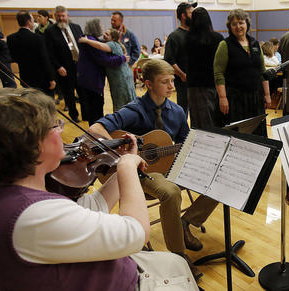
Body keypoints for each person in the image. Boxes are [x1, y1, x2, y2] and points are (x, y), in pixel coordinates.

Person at [0, 88, 198, 290]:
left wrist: (123, 162)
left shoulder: (8, 189)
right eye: (55, 126)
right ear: (34, 145)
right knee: (178, 267)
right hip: (119, 283)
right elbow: (136, 234)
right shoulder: (30, 216)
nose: (62, 133)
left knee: (176, 263)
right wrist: (127, 169)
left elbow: (91, 208)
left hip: (104, 272)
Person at [89, 60, 214, 280]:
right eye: (164, 82)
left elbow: (185, 143)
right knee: (171, 192)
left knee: (217, 178)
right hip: (141, 172)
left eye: (172, 80)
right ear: (148, 84)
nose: (171, 86)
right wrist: (123, 158)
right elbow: (95, 128)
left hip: (168, 165)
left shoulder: (176, 110)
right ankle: (179, 256)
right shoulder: (134, 110)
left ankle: (187, 221)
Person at [214, 8, 270, 136]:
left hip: (256, 98)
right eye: (234, 24)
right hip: (235, 100)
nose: (238, 26)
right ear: (230, 27)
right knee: (239, 136)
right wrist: (222, 98)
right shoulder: (224, 45)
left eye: (241, 22)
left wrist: (267, 94)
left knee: (258, 134)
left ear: (247, 24)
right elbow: (218, 74)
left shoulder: (255, 44)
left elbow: (262, 71)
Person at [76, 19, 127, 124]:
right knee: (96, 109)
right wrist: (122, 58)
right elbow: (104, 60)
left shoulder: (89, 39)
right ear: (95, 28)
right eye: (101, 27)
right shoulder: (91, 41)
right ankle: (97, 135)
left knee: (93, 108)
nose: (103, 30)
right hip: (92, 80)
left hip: (87, 79)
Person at [78, 28, 136, 112]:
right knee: (127, 98)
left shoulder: (112, 44)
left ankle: (125, 118)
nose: (104, 35)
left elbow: (99, 45)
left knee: (122, 100)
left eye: (107, 34)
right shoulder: (115, 44)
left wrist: (86, 41)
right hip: (122, 76)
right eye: (105, 33)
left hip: (120, 77)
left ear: (113, 38)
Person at [185, 7, 224, 129]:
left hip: (194, 85)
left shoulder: (188, 38)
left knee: (197, 121)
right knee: (214, 119)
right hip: (214, 84)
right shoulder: (217, 38)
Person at [44, 5, 83, 122]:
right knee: (69, 93)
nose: (61, 18)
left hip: (80, 65)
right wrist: (58, 67)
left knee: (83, 92)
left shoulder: (76, 27)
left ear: (67, 16)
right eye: (59, 16)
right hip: (64, 68)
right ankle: (74, 115)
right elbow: (49, 53)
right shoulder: (50, 31)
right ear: (55, 16)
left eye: (63, 16)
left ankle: (86, 113)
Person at [7, 10, 56, 96]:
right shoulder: (37, 38)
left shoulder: (11, 38)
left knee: (31, 100)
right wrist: (51, 78)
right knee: (46, 102)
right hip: (41, 78)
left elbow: (13, 57)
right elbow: (44, 59)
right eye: (33, 19)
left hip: (25, 76)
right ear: (29, 21)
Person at [164, 2, 197, 116]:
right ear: (183, 16)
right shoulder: (174, 36)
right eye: (191, 13)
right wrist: (182, 75)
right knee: (183, 112)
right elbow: (169, 60)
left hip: (197, 81)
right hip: (184, 82)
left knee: (197, 114)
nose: (194, 15)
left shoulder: (196, 34)